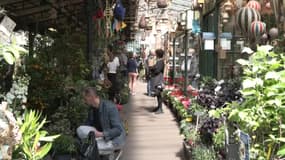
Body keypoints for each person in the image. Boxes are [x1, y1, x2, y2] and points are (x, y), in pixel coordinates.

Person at [77, 87, 126, 154]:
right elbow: (87, 124)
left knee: (88, 150)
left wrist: (101, 134)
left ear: (91, 97)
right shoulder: (92, 108)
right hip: (101, 136)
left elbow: (118, 130)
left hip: (114, 140)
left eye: (85, 99)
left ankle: (111, 151)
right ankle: (103, 149)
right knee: (80, 129)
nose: (84, 101)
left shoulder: (110, 107)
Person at [149, 49, 165, 114]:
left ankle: (160, 108)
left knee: (159, 93)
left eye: (156, 53)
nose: (155, 55)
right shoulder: (159, 61)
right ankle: (159, 107)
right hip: (157, 79)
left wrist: (152, 68)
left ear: (158, 54)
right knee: (158, 94)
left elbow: (157, 70)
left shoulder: (160, 61)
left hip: (158, 79)